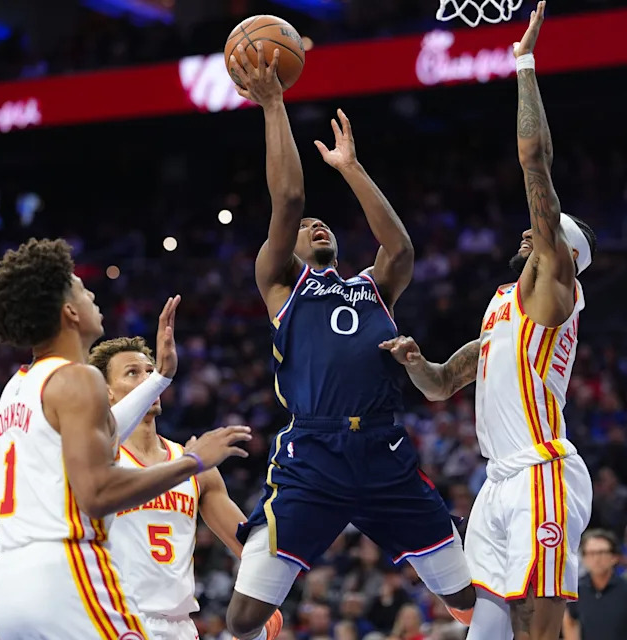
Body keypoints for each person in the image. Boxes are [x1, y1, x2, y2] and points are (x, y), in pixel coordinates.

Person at [223, 42, 475, 640]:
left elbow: (402, 250)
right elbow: (287, 199)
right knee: (242, 618)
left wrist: (351, 168)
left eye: (324, 224)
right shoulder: (283, 284)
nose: (317, 224)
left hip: (385, 453)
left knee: (467, 596)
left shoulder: (373, 289)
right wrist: (274, 106)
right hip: (315, 455)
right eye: (310, 228)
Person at [380, 4, 593, 639]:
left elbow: (535, 163)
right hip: (496, 482)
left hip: (541, 471)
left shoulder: (554, 296)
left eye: (544, 234)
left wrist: (523, 64)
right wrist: (417, 364)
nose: (528, 235)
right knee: (486, 628)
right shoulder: (505, 306)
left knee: (536, 627)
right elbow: (444, 385)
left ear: (564, 255)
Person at [0, 238, 252, 639]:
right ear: (70, 312)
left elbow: (105, 431)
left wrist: (161, 377)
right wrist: (192, 462)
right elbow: (97, 492)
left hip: (9, 585)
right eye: (84, 291)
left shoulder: (16, 389)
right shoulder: (78, 377)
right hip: (65, 570)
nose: (94, 297)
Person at [88, 336, 284, 640]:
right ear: (106, 392)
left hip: (178, 627)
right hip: (112, 622)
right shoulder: (93, 461)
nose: (148, 380)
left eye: (150, 371)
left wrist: (259, 612)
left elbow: (249, 548)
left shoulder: (198, 466)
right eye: (132, 373)